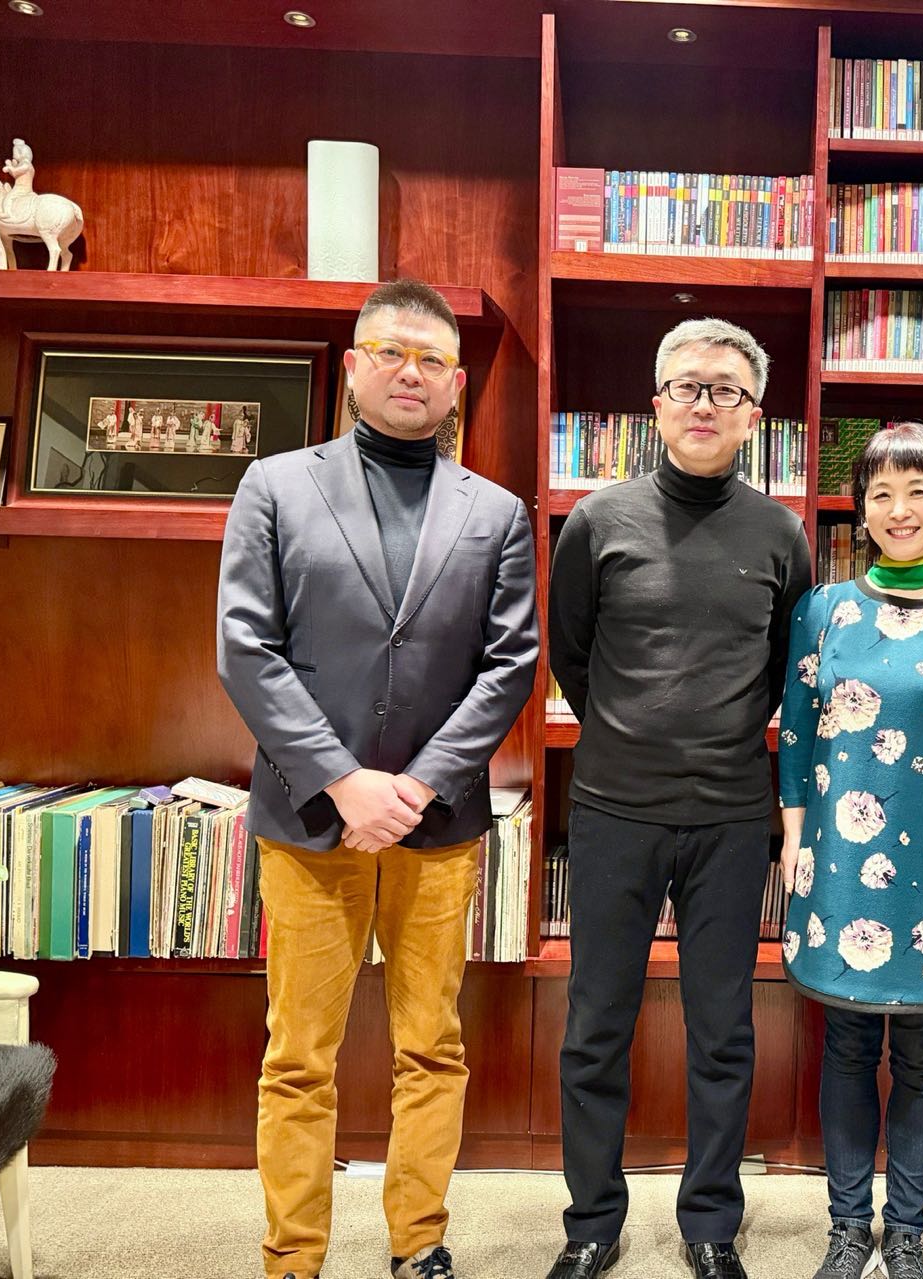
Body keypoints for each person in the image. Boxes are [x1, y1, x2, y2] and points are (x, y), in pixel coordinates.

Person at [217, 278, 538, 1279]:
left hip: (437, 827)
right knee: (297, 1055)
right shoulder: (275, 485)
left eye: (432, 359)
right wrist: (342, 780)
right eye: (391, 352)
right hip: (310, 820)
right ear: (354, 366)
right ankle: (292, 1256)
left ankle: (419, 1242)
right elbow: (246, 647)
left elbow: (510, 664)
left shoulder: (496, 510)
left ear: (456, 383)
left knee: (432, 1046)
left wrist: (419, 783)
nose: (411, 372)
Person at [546, 317, 812, 1279]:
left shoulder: (780, 533)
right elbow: (572, 654)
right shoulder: (597, 521)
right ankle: (590, 1222)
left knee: (723, 1031)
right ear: (656, 405)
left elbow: (782, 667)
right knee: (595, 1028)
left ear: (752, 415)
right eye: (688, 386)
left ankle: (709, 1222)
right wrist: (635, 733)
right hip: (614, 809)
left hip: (731, 816)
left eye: (725, 390)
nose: (705, 403)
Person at [777, 422, 923, 1279]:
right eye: (880, 492)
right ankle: (849, 1228)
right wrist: (793, 842)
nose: (899, 508)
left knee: (920, 1053)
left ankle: (905, 1230)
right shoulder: (824, 609)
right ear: (861, 510)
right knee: (844, 1046)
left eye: (918, 490)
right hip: (838, 861)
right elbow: (797, 731)